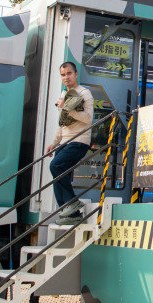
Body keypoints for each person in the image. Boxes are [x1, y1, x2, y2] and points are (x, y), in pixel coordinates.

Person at [44, 61, 94, 225]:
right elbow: (62, 122)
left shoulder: (84, 93)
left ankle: (72, 202)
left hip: (79, 140)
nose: (66, 77)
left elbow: (88, 118)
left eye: (69, 73)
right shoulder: (64, 93)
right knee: (58, 175)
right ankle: (71, 214)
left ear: (76, 74)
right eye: (63, 74)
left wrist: (67, 107)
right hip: (64, 142)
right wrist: (54, 143)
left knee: (55, 166)